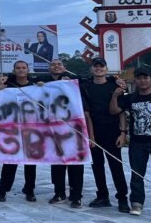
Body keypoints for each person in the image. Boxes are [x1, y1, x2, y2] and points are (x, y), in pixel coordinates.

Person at [110, 68, 151, 216]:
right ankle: (137, 203)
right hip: (137, 143)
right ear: (135, 81)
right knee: (137, 175)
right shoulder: (131, 98)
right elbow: (114, 111)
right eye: (139, 78)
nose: (142, 81)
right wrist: (115, 95)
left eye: (145, 78)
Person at [81, 56, 129, 212]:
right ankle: (102, 195)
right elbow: (87, 112)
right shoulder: (86, 86)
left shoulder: (115, 86)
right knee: (97, 166)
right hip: (94, 131)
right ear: (91, 69)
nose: (98, 68)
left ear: (106, 69)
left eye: (101, 66)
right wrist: (91, 136)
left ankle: (122, 198)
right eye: (96, 66)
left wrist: (123, 133)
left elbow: (121, 112)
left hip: (112, 131)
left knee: (116, 166)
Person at [0, 60, 45, 202]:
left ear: (28, 69)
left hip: (31, 128)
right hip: (12, 128)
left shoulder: (35, 85)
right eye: (18, 68)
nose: (21, 70)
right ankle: (3, 189)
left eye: (24, 67)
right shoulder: (8, 85)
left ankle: (29, 189)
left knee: (30, 162)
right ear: (14, 70)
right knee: (10, 160)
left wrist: (42, 87)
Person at [46, 59, 88, 208]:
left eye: (59, 64)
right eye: (53, 65)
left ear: (65, 68)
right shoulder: (43, 82)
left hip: (74, 130)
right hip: (54, 130)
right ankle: (59, 193)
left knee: (76, 164)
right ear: (49, 69)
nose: (56, 66)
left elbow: (91, 79)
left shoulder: (75, 83)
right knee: (57, 164)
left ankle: (76, 196)